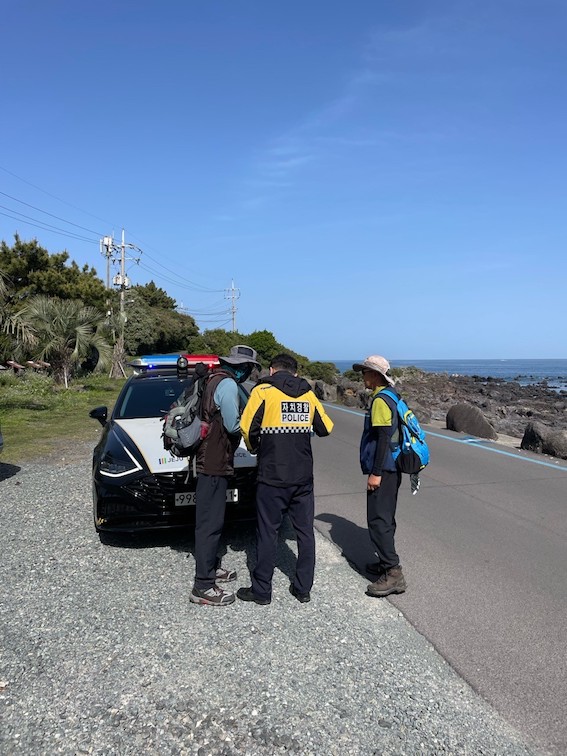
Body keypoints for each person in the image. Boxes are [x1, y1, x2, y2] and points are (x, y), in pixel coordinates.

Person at [237, 353, 334, 605]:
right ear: (295, 372)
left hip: (272, 475)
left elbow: (247, 428)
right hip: (302, 477)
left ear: (271, 370)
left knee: (267, 532)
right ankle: (303, 589)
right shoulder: (307, 394)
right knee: (305, 533)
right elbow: (326, 428)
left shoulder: (264, 391)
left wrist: (255, 447)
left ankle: (261, 591)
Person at [190, 344, 261, 606]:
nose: (249, 374)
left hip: (208, 457)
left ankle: (210, 567)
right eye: (249, 369)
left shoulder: (212, 378)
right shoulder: (229, 385)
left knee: (211, 519)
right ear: (242, 367)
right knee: (210, 522)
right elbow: (232, 425)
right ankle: (203, 586)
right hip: (214, 460)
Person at [353, 354, 407, 597]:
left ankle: (394, 573)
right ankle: (385, 563)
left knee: (378, 520)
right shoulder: (391, 396)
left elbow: (383, 437)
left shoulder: (380, 400)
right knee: (386, 518)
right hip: (392, 467)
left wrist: (375, 473)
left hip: (384, 468)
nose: (362, 376)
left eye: (365, 372)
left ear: (375, 375)